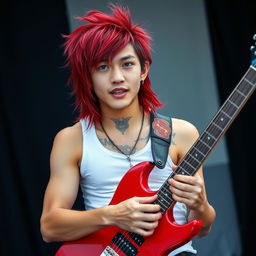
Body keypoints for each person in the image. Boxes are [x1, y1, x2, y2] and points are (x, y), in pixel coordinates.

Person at [40, 4, 216, 256]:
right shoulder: (72, 140)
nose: (117, 77)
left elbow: (202, 228)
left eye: (127, 64)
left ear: (143, 70)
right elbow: (50, 226)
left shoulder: (182, 133)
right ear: (87, 77)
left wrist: (200, 204)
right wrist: (112, 215)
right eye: (102, 67)